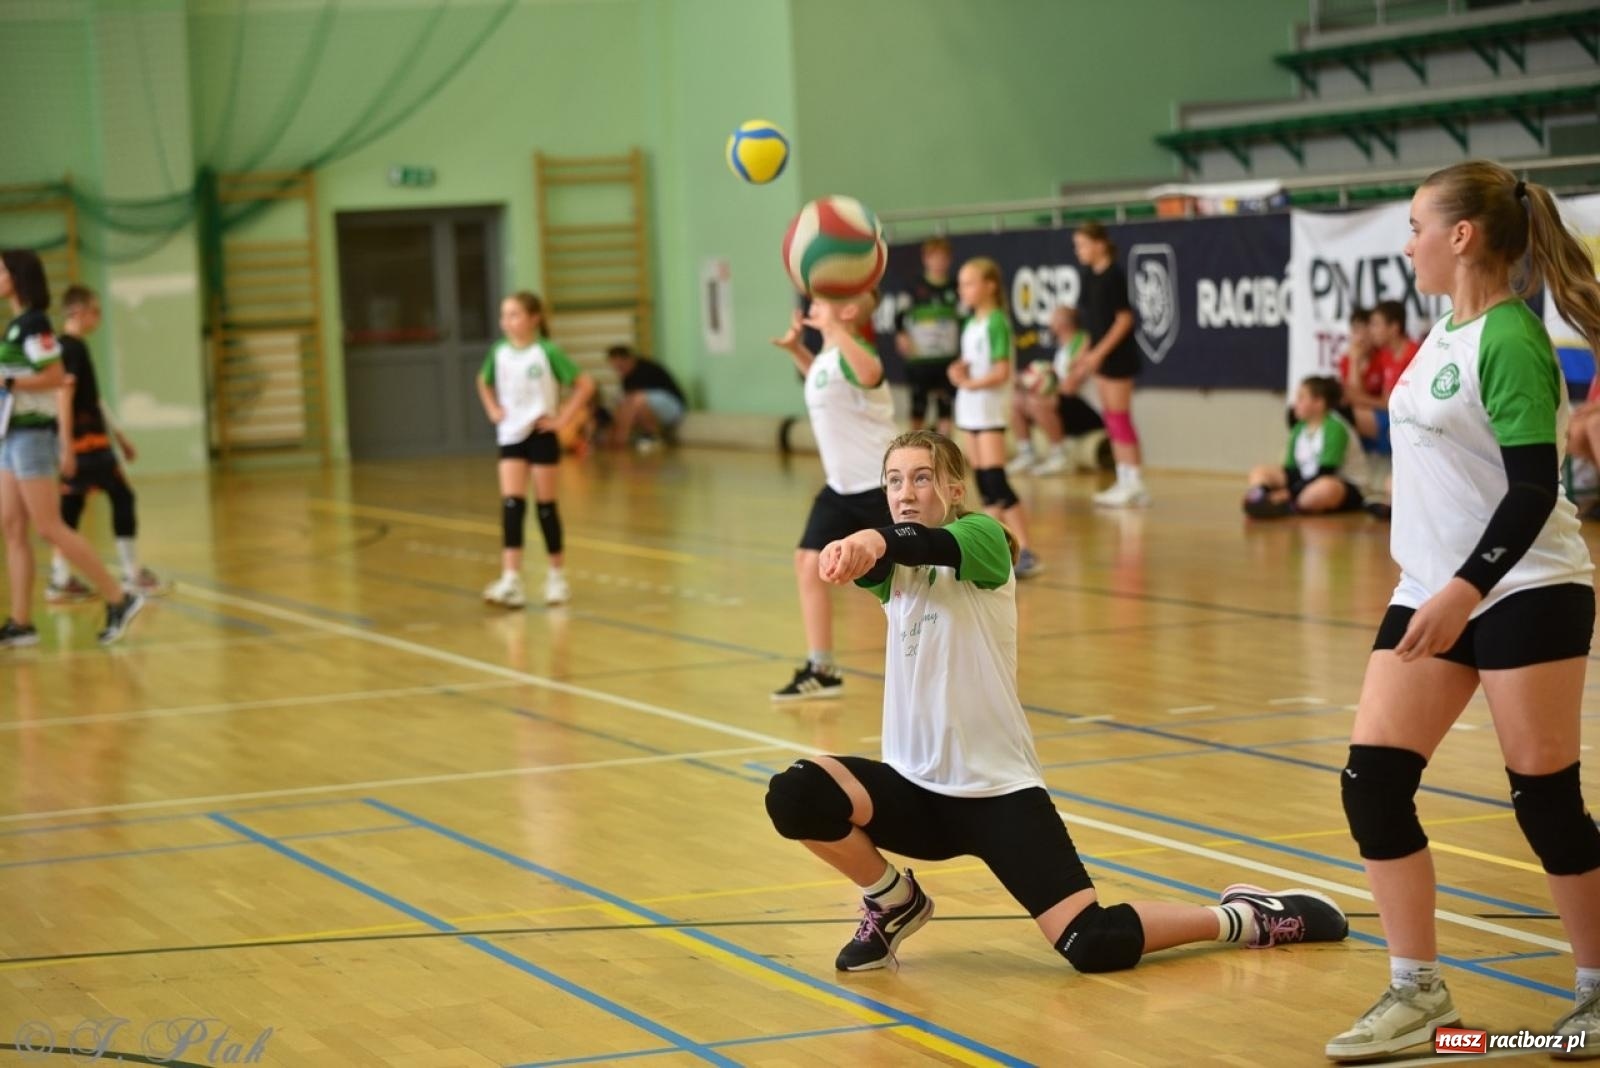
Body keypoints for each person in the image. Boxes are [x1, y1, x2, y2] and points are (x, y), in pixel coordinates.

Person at [763, 429, 1348, 973]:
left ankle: (1244, 918)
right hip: (915, 791)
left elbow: (916, 542)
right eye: (894, 480)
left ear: (954, 489)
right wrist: (851, 550)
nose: (905, 492)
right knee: (796, 794)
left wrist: (868, 537)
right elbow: (890, 554)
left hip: (997, 795)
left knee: (1091, 944)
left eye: (922, 477)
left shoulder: (984, 539)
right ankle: (894, 902)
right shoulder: (896, 572)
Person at [1326, 162, 1600, 1061]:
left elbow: (1532, 490)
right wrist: (1436, 583)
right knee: (1373, 784)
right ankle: (1418, 991)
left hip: (1527, 586)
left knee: (1545, 802)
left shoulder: (1511, 337)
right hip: (1434, 588)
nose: (1405, 244)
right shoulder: (1445, 330)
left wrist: (1465, 589)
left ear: (1461, 236)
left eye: (1414, 226)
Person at [0, 250, 143, 647]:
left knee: (49, 526)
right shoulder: (15, 326)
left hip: (32, 438)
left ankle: (120, 597)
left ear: (18, 277)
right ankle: (21, 623)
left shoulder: (36, 323)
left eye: (0, 270)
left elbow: (55, 376)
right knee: (12, 527)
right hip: (9, 437)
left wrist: (7, 383)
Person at [768, 290, 898, 701]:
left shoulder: (856, 351)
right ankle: (821, 668)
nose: (812, 306)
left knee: (910, 582)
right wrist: (796, 352)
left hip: (881, 488)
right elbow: (825, 385)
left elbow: (870, 372)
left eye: (823, 301)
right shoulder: (827, 358)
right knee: (808, 562)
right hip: (841, 488)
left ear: (846, 312)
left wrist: (841, 330)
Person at [45, 284, 165, 603]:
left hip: (87, 440)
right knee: (122, 495)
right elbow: (64, 396)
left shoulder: (65, 347)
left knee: (72, 507)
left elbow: (92, 398)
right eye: (95, 311)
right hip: (87, 444)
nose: (98, 317)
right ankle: (131, 573)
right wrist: (67, 445)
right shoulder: (73, 348)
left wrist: (120, 436)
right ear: (80, 312)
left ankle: (59, 578)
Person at [477, 291, 595, 609]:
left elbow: (586, 384)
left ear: (534, 319)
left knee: (545, 507)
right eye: (504, 315)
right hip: (510, 434)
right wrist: (492, 409)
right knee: (512, 505)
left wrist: (562, 420)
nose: (507, 321)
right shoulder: (499, 352)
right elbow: (483, 381)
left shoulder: (547, 352)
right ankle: (511, 578)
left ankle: (557, 577)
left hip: (541, 434)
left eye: (514, 314)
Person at [948, 258, 1040, 577]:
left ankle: (1025, 548)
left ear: (989, 286)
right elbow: (973, 363)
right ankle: (995, 547)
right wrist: (959, 371)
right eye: (961, 283)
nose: (964, 289)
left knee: (996, 479)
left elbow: (1001, 371)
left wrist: (970, 382)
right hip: (971, 408)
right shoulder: (971, 324)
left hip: (989, 408)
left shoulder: (996, 322)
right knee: (984, 482)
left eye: (970, 282)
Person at [1061, 222, 1147, 507]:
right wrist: (1081, 353)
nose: (1079, 251)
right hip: (1099, 355)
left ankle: (1134, 481)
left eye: (1083, 245)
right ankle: (1124, 479)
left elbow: (1124, 320)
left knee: (1120, 418)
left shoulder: (1114, 275)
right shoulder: (1088, 276)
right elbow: (1090, 326)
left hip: (1117, 357)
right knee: (1111, 419)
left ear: (1100, 244)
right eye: (1076, 246)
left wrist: (1099, 353)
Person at [1243, 376, 1364, 518]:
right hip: (1306, 482)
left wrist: (1289, 492)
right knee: (1260, 471)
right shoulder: (1299, 428)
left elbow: (1326, 472)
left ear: (1319, 403)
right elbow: (1290, 470)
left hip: (1341, 484)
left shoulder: (1335, 428)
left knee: (1324, 488)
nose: (1296, 404)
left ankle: (1286, 504)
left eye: (1301, 398)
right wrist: (1289, 487)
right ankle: (1260, 498)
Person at [1008, 304, 1106, 476]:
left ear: (1063, 323)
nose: (1049, 322)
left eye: (1053, 317)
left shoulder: (1082, 341)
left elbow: (1069, 386)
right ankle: (1026, 453)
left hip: (1090, 411)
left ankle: (1060, 456)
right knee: (1017, 400)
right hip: (1067, 405)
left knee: (1037, 400)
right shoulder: (1062, 349)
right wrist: (1026, 381)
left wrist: (1037, 384)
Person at [894, 237, 961, 435]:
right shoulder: (914, 287)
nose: (939, 262)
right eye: (934, 257)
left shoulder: (955, 287)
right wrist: (901, 335)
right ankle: (915, 445)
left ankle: (944, 450)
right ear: (926, 259)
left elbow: (965, 317)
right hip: (920, 357)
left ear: (949, 260)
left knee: (945, 403)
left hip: (946, 357)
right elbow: (899, 316)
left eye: (943, 258)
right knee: (918, 403)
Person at [604, 344, 685, 452]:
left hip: (673, 407)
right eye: (616, 367)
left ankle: (654, 435)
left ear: (629, 359)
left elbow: (635, 401)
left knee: (637, 400)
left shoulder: (646, 369)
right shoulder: (626, 378)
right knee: (626, 403)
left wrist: (623, 436)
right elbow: (624, 406)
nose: (618, 370)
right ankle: (650, 435)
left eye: (620, 366)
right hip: (655, 408)